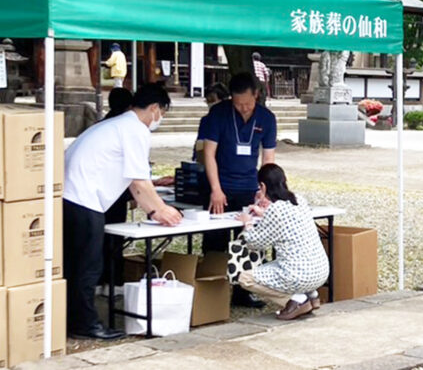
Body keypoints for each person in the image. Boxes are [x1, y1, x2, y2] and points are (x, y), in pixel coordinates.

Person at [63, 84, 183, 340]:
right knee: (88, 267)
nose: (159, 119)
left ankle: (71, 319)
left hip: (70, 197)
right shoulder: (135, 130)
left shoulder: (115, 125)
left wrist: (154, 210)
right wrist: (161, 211)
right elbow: (140, 182)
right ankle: (85, 324)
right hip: (84, 199)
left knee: (75, 265)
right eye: (161, 112)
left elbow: (134, 181)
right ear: (154, 109)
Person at [201, 72, 277, 305]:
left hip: (249, 187)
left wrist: (265, 192)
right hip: (220, 186)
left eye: (247, 103)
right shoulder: (219, 114)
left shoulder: (266, 118)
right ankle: (214, 290)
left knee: (249, 239)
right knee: (216, 240)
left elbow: (268, 159)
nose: (243, 108)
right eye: (238, 104)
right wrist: (216, 188)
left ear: (256, 95)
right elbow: (208, 154)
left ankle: (244, 292)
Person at [237, 164, 329, 320]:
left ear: (263, 186)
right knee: (278, 264)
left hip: (299, 274)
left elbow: (255, 243)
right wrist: (263, 212)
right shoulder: (299, 200)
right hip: (321, 270)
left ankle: (296, 300)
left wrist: (247, 222)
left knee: (245, 278)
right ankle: (311, 294)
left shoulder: (276, 210)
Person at [99, 87, 134, 294]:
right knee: (115, 239)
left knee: (100, 240)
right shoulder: (125, 128)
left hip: (98, 194)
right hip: (115, 192)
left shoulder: (103, 125)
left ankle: (102, 281)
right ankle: (114, 282)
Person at [193, 82, 230, 163]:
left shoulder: (232, 121)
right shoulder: (206, 120)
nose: (210, 103)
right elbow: (199, 145)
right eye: (207, 100)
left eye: (212, 99)